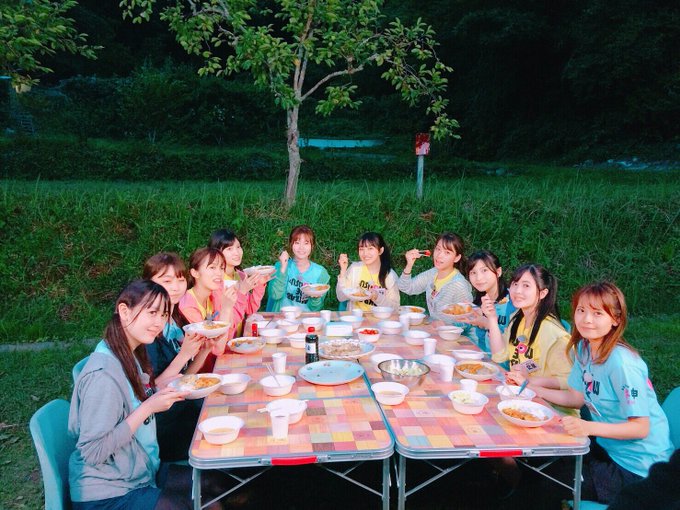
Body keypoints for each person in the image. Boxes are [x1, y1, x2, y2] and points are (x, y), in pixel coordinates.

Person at [534, 282, 674, 504]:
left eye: (597, 313)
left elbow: (641, 427)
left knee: (547, 484)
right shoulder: (584, 349)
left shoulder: (622, 363)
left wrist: (587, 427)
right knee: (543, 459)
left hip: (639, 468)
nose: (587, 319)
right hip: (608, 448)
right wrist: (534, 390)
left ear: (616, 319)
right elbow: (575, 398)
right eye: (581, 310)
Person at [68, 280, 190, 508]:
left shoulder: (131, 353)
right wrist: (149, 407)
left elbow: (133, 402)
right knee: (185, 504)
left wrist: (158, 393)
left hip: (141, 469)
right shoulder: (103, 375)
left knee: (210, 486)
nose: (159, 322)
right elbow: (93, 451)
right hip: (107, 491)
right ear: (124, 311)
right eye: (152, 312)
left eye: (163, 315)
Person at [142, 252, 212, 461]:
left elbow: (184, 378)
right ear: (148, 284)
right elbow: (152, 389)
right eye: (167, 281)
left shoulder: (176, 320)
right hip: (164, 426)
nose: (176, 287)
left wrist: (205, 349)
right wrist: (184, 354)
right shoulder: (148, 332)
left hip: (183, 406)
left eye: (180, 280)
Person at [482, 264, 575, 413]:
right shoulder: (517, 319)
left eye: (526, 286)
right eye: (515, 284)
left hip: (552, 411)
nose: (518, 291)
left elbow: (569, 381)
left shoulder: (555, 336)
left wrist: (530, 381)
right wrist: (492, 319)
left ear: (543, 293)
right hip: (522, 402)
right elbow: (499, 355)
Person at [178, 247, 237, 371]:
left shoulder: (213, 296)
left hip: (212, 367)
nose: (219, 273)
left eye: (221, 268)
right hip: (195, 375)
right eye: (212, 267)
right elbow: (217, 349)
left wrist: (228, 306)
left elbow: (228, 337)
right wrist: (226, 309)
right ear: (195, 273)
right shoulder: (188, 307)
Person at [398, 232, 473, 323]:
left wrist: (444, 326)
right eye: (438, 249)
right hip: (433, 328)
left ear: (457, 258)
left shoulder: (459, 285)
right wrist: (409, 264)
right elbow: (405, 287)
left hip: (453, 331)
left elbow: (468, 320)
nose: (439, 255)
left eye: (447, 252)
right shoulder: (433, 273)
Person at [208, 228, 267, 335]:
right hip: (224, 338)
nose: (236, 252)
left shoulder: (240, 275)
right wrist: (242, 291)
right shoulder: (216, 282)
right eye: (229, 249)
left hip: (239, 337)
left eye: (238, 247)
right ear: (217, 252)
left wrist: (259, 285)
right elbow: (223, 320)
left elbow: (249, 309)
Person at [459, 250, 515, 353]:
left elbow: (516, 342)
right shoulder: (480, 301)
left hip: (503, 361)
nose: (478, 278)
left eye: (484, 270)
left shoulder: (513, 302)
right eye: (473, 273)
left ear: (498, 272)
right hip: (481, 357)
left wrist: (487, 323)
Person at [265, 225, 330, 312]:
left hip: (307, 319)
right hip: (282, 317)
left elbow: (316, 309)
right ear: (291, 244)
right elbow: (275, 295)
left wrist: (316, 298)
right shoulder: (279, 266)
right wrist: (283, 268)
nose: (301, 247)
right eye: (297, 243)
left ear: (312, 246)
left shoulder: (321, 273)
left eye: (306, 243)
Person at [337, 232, 400, 311]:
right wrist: (343, 271)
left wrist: (377, 297)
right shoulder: (355, 269)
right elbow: (341, 297)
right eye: (361, 249)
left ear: (380, 250)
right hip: (355, 317)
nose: (365, 253)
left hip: (378, 318)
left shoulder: (390, 276)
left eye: (370, 248)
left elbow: (395, 308)